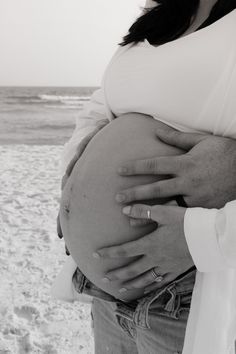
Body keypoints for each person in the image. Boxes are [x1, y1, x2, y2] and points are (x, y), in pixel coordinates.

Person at [53, 0, 236, 353]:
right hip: (106, 297)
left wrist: (206, 238)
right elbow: (100, 105)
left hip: (188, 292)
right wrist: (76, 174)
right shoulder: (163, 15)